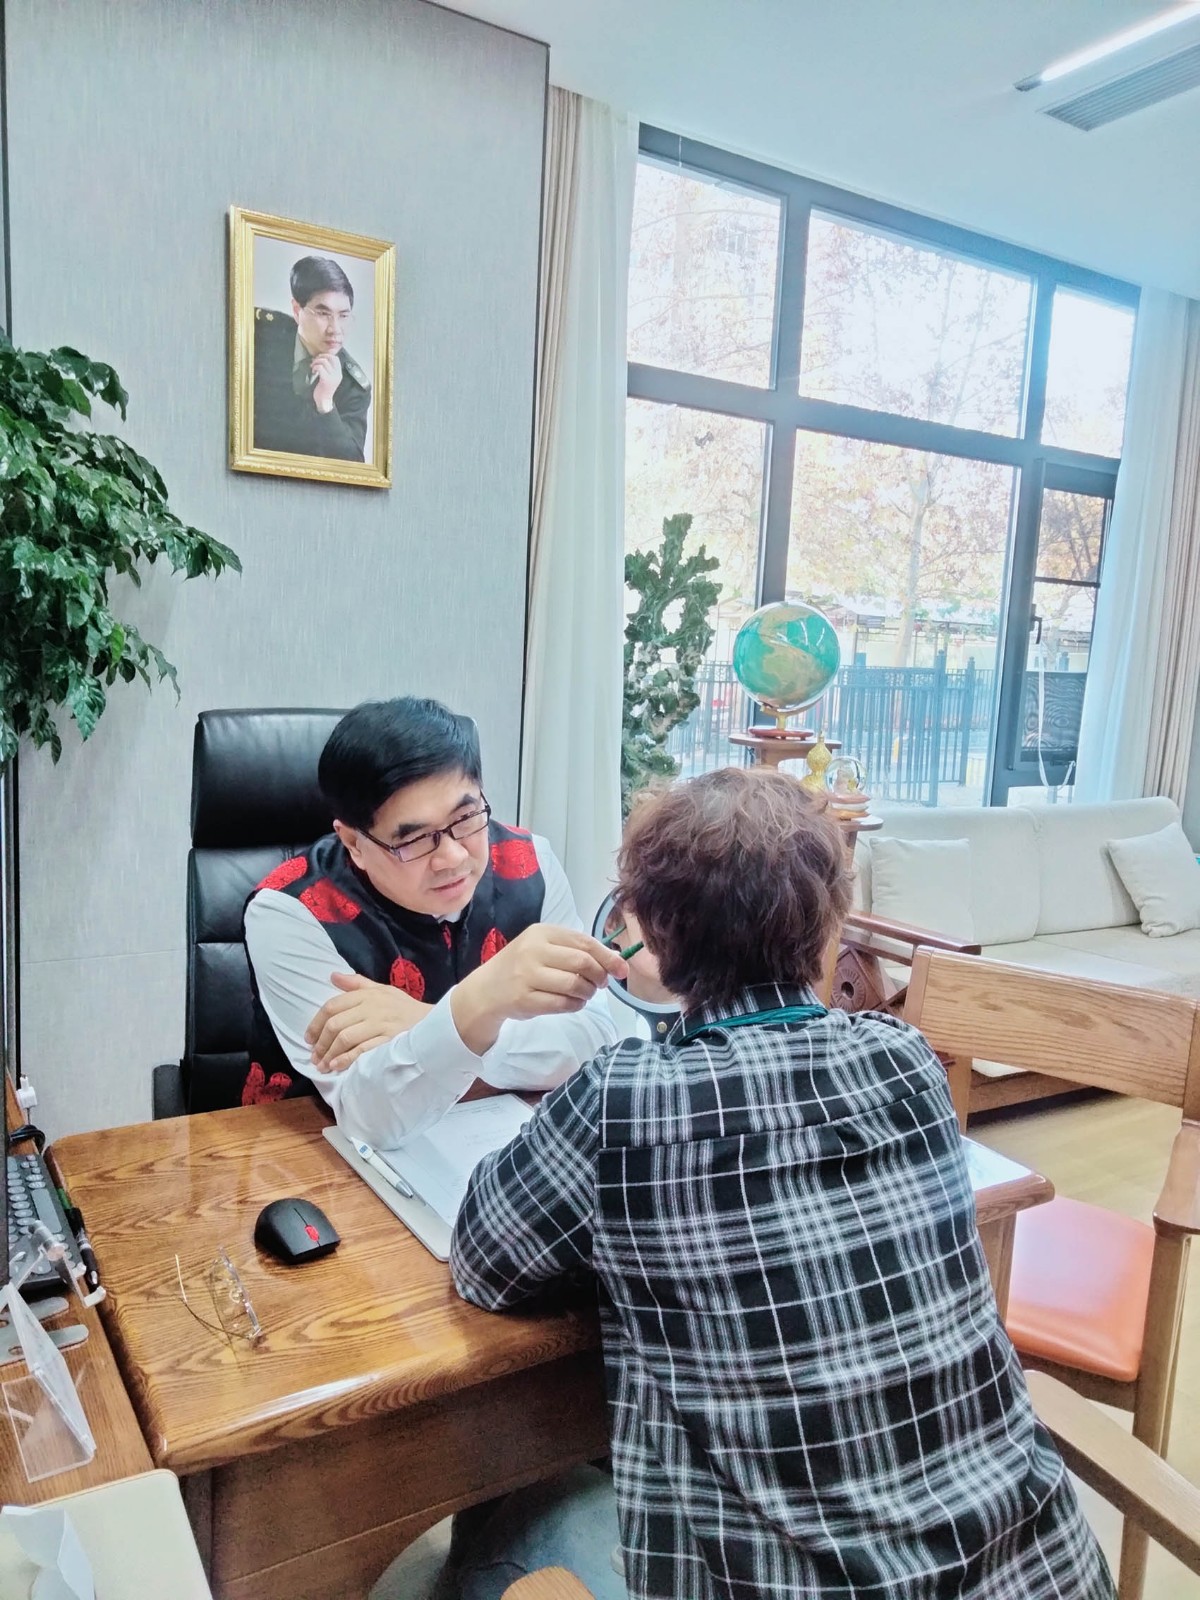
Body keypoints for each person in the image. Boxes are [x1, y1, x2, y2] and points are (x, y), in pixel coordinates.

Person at [449, 768, 1114, 1600]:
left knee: (502, 1527)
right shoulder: (905, 1060)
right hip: (1044, 1570)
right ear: (828, 922)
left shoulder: (622, 1100)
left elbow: (484, 1262)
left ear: (655, 933)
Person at [242, 697, 624, 1148]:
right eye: (416, 840)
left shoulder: (530, 864)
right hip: (312, 1152)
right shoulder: (290, 912)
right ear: (354, 843)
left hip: (503, 1142)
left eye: (465, 818)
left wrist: (438, 1018)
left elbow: (592, 1040)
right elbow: (370, 1114)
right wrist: (481, 1008)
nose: (453, 856)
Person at [253, 254, 371, 461]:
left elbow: (351, 465)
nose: (335, 329)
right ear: (297, 310)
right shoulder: (261, 335)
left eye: (343, 316)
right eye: (323, 314)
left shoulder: (354, 386)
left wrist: (325, 404)